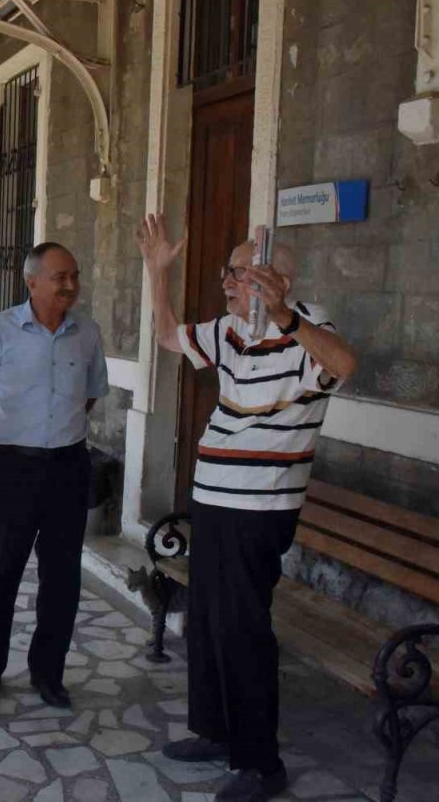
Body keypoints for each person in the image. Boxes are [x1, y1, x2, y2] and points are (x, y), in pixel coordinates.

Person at [135, 213, 357, 802]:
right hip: (212, 500)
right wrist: (158, 273)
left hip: (260, 509)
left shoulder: (308, 329)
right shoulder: (229, 333)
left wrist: (285, 317)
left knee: (242, 630)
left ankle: (261, 763)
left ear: (275, 280)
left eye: (239, 274)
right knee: (205, 621)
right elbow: (166, 336)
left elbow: (345, 365)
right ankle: (212, 730)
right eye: (228, 274)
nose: (227, 284)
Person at [0, 242, 108, 709]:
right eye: (59, 276)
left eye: (74, 276)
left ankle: (48, 675)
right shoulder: (0, 331)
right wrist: (11, 432)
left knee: (62, 578)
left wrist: (54, 433)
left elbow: (88, 394)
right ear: (31, 282)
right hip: (10, 468)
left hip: (68, 467)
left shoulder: (87, 333)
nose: (70, 285)